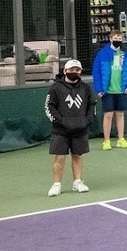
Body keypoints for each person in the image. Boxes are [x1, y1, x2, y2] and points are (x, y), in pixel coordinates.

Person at [45, 59, 96, 196]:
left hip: (80, 129)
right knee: (60, 158)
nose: (74, 72)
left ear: (80, 72)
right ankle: (56, 185)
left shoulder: (85, 88)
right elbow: (49, 106)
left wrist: (86, 121)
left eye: (77, 70)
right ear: (65, 71)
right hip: (60, 130)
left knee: (77, 156)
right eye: (71, 70)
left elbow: (91, 105)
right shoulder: (56, 88)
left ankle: (77, 182)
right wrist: (59, 121)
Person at [92, 29, 127, 150]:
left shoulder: (126, 53)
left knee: (120, 114)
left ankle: (121, 139)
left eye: (120, 38)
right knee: (108, 115)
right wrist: (99, 88)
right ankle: (106, 141)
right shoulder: (102, 53)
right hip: (107, 91)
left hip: (122, 90)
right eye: (115, 38)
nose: (117, 40)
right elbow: (96, 72)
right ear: (110, 39)